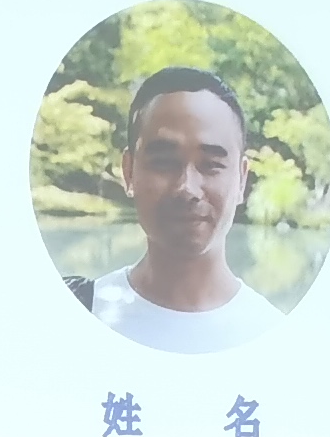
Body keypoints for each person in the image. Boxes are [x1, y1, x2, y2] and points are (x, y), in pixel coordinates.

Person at [71, 65, 284, 353]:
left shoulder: (277, 339)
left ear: (241, 180)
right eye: (164, 162)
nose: (187, 188)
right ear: (129, 171)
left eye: (211, 165)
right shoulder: (77, 313)